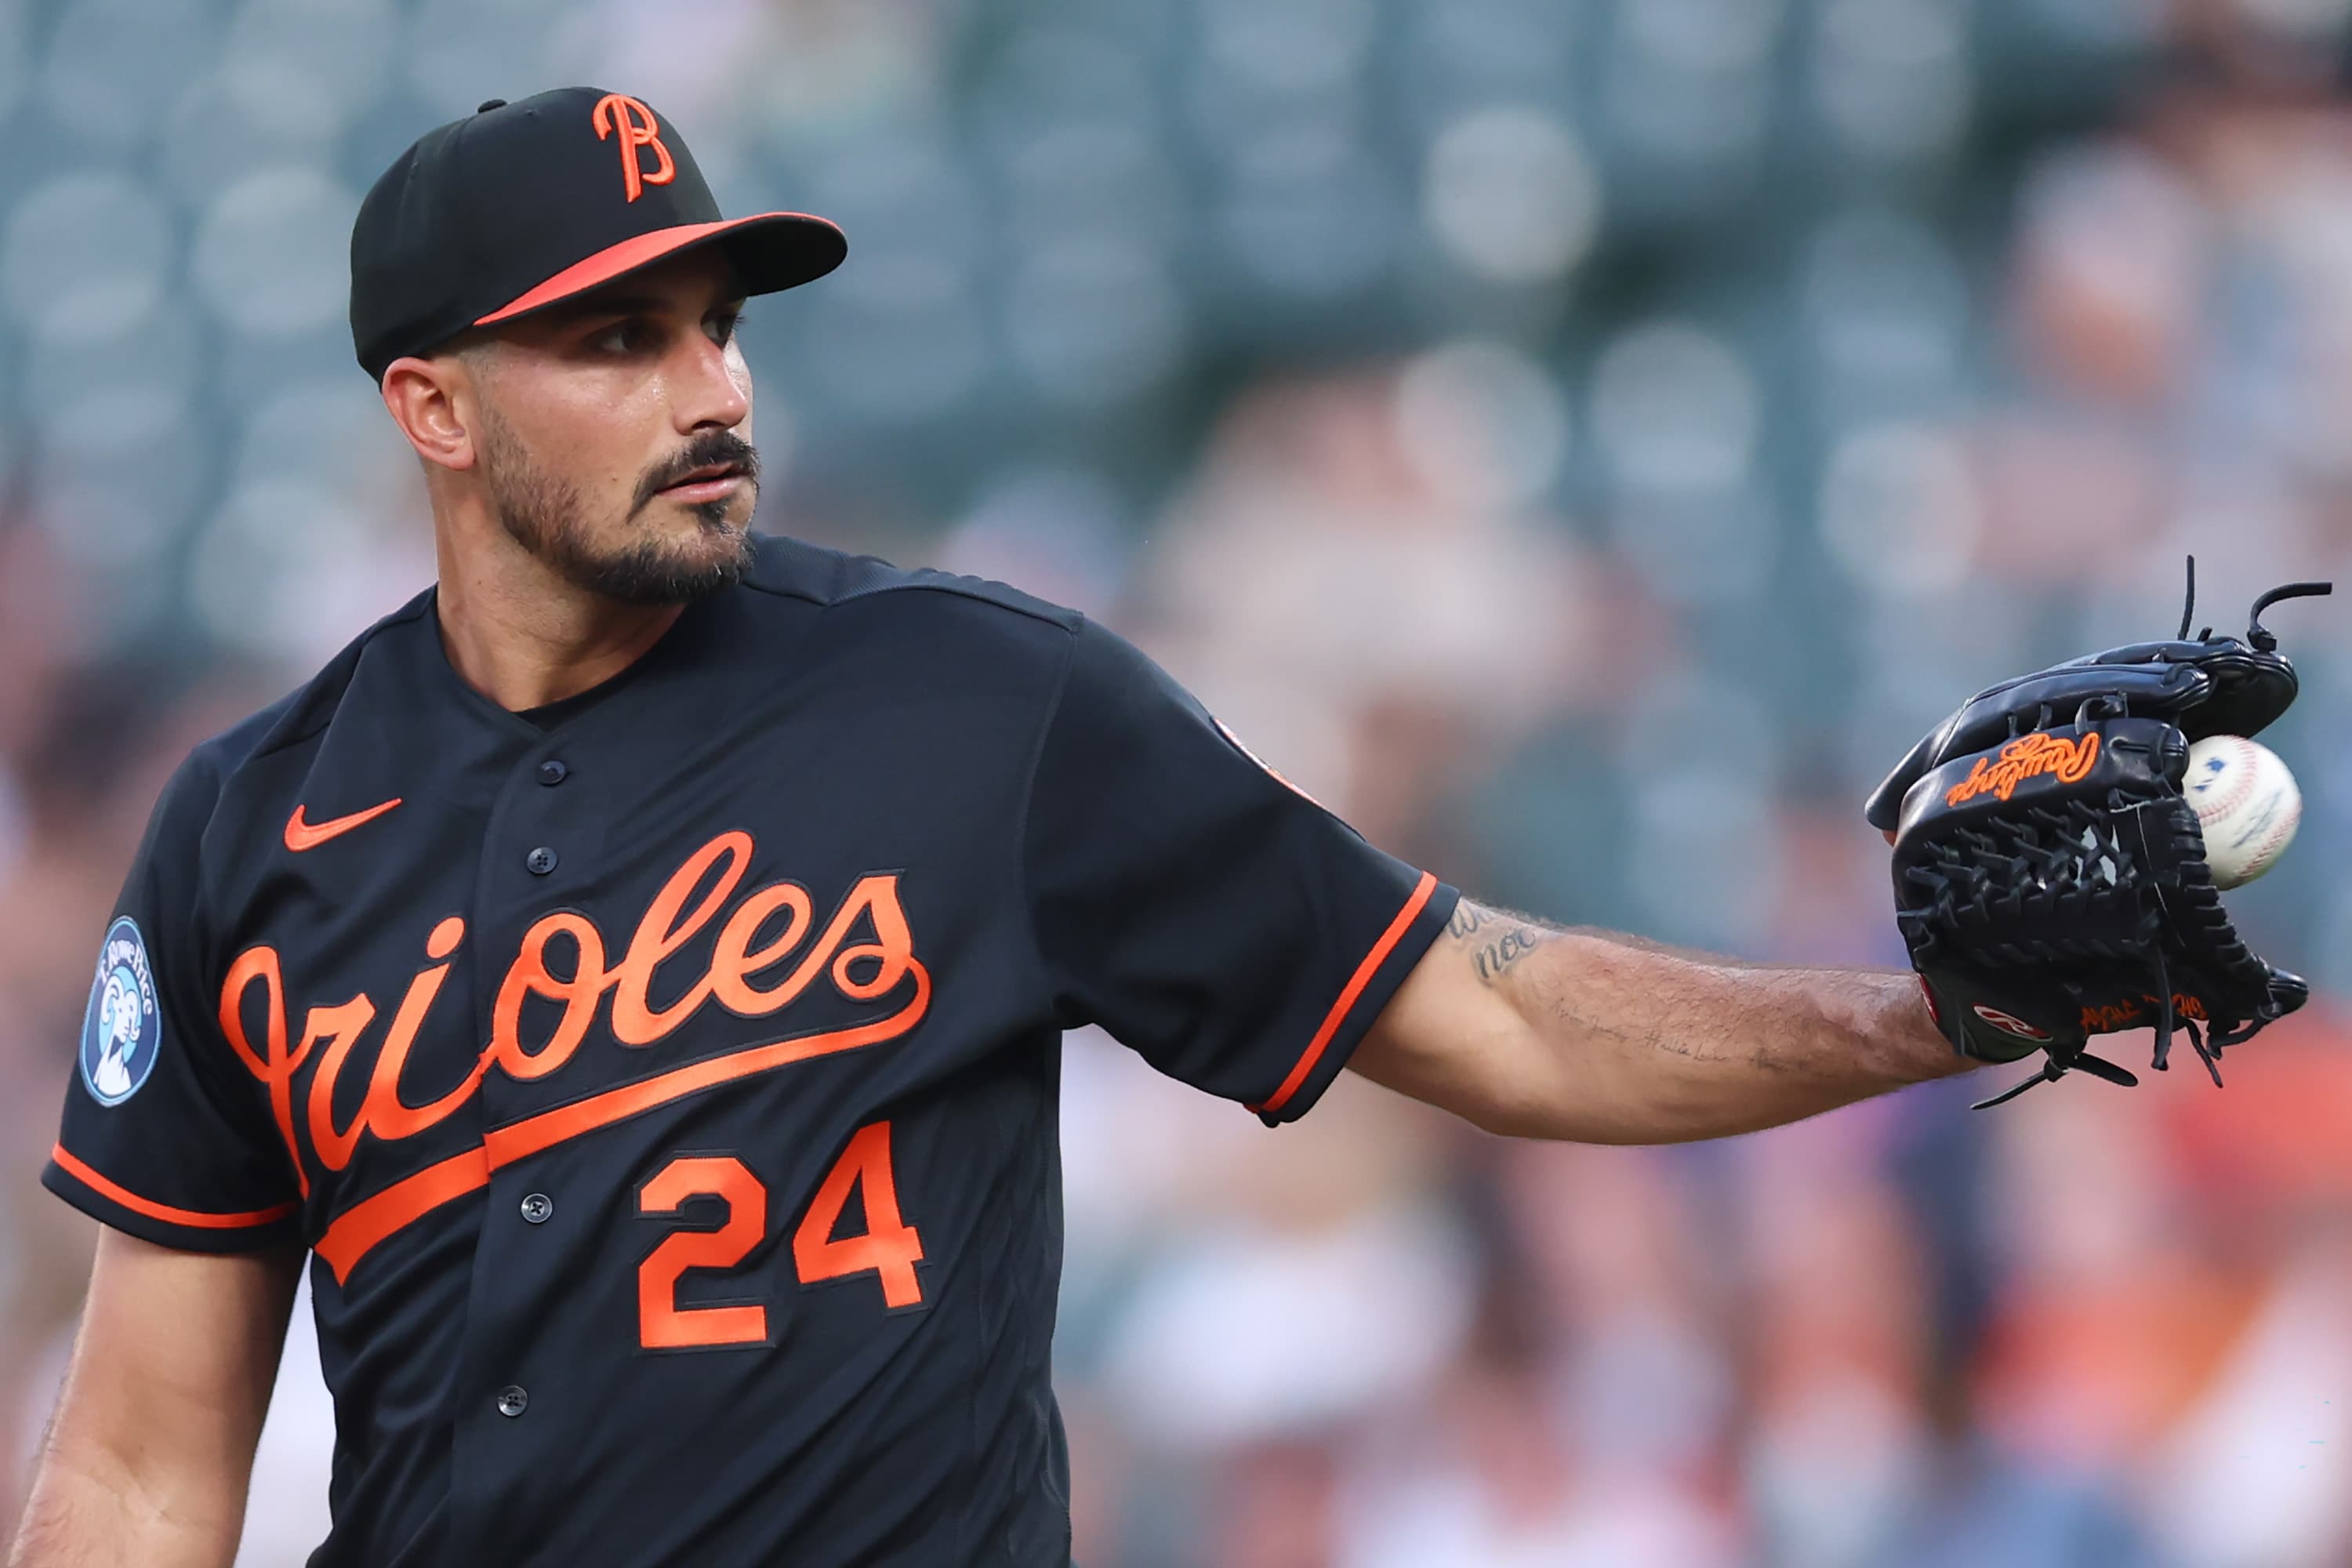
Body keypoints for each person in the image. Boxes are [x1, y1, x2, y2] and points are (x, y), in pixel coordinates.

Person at [7, 89, 1968, 1568]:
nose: (710, 391)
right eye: (618, 345)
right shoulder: (251, 825)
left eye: (717, 322)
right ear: (433, 410)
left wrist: (1925, 1018)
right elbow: (139, 1461)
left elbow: (1496, 1009)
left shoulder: (977, 706)